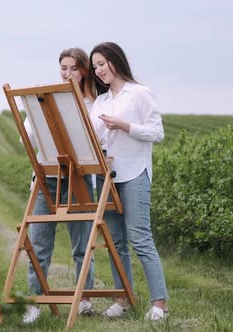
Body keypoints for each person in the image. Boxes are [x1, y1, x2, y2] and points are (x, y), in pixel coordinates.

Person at [89, 41, 169, 320]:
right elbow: (95, 138)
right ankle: (123, 301)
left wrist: (125, 126)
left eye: (101, 63)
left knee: (140, 238)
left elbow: (157, 133)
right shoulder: (100, 101)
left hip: (135, 173)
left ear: (115, 60)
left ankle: (160, 304)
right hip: (108, 179)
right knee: (115, 243)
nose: (98, 70)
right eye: (95, 66)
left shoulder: (139, 94)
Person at [21, 48, 97, 324]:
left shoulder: (92, 104)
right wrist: (37, 110)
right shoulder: (46, 99)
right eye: (63, 68)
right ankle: (34, 303)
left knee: (81, 243)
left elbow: (95, 144)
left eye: (73, 68)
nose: (67, 73)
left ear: (84, 71)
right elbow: (26, 139)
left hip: (78, 179)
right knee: (39, 243)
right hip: (47, 178)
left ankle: (85, 298)